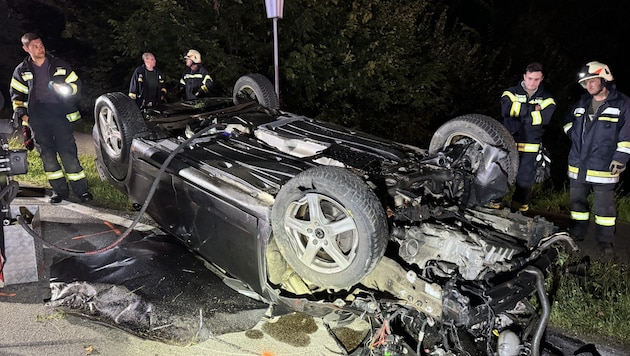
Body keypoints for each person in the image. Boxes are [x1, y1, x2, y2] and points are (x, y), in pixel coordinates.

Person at [9, 32, 93, 204]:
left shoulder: (59, 66)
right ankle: (59, 191)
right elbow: (16, 96)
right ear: (26, 49)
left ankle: (82, 191)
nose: (40, 48)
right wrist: (23, 116)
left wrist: (64, 88)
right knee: (47, 155)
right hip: (36, 117)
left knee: (68, 153)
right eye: (35, 46)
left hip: (59, 113)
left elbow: (76, 85)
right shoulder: (21, 70)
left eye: (41, 44)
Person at [563, 61, 630, 254]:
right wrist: (574, 137)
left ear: (604, 79)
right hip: (578, 165)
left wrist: (620, 158)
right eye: (585, 83)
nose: (589, 86)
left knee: (604, 210)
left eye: (592, 81)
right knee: (577, 205)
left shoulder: (622, 103)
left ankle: (605, 242)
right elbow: (568, 122)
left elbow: (627, 135)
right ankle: (577, 233)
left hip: (604, 167)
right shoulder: (582, 102)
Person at [500, 62, 556, 211]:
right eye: (530, 78)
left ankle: (519, 212)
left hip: (530, 146)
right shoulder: (510, 92)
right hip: (508, 143)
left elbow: (544, 119)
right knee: (500, 175)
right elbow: (507, 111)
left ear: (541, 78)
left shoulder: (547, 98)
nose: (532, 82)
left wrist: (519, 111)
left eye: (536, 79)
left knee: (524, 181)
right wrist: (533, 110)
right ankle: (493, 206)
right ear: (524, 76)